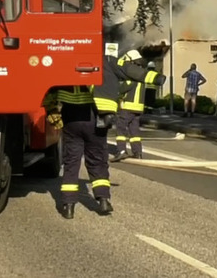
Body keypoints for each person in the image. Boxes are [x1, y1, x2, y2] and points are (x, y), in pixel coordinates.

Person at [43, 84, 113, 220]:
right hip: (93, 115)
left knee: (71, 162)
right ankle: (103, 200)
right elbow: (108, 89)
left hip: (70, 116)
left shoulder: (63, 71)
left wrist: (53, 113)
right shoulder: (96, 68)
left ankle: (68, 206)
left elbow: (49, 93)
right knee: (97, 161)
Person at [112, 57, 164, 162]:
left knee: (121, 128)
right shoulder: (142, 78)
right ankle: (137, 152)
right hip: (138, 109)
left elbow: (120, 90)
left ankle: (121, 151)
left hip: (127, 107)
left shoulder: (130, 78)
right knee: (134, 130)